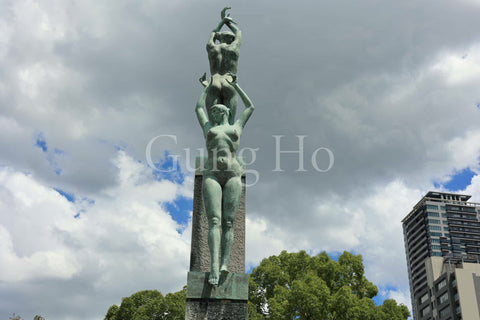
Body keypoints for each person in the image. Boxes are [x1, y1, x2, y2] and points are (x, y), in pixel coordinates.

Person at [195, 74, 254, 285]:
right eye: (213, 111)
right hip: (212, 172)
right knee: (214, 220)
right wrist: (205, 88)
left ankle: (224, 265)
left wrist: (237, 86)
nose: (214, 112)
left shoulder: (236, 128)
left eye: (218, 110)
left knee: (229, 222)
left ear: (226, 111)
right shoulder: (208, 129)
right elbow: (198, 109)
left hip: (232, 173)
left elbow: (250, 108)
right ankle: (212, 266)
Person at [200, 7, 242, 125]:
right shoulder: (234, 47)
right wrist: (227, 21)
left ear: (220, 38)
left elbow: (213, 33)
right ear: (231, 38)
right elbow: (238, 32)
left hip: (214, 81)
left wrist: (222, 22)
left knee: (214, 126)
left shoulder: (212, 47)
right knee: (230, 124)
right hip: (229, 81)